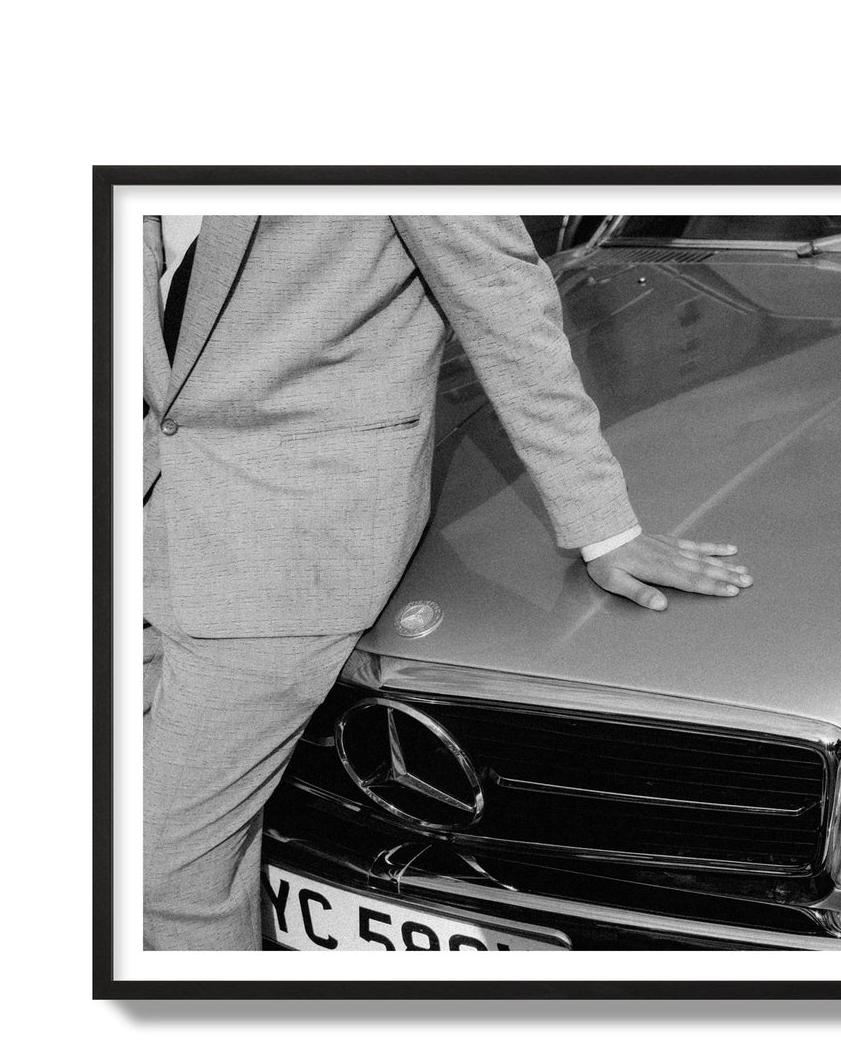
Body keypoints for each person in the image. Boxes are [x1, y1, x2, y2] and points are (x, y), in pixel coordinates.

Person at [143, 214, 751, 950]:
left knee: (161, 868)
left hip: (288, 536)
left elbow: (501, 296)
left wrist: (605, 527)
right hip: (147, 509)